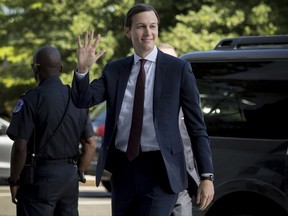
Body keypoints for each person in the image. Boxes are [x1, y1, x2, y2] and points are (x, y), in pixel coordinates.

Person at [72, 3, 214, 216]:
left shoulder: (178, 69)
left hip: (162, 170)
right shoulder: (115, 70)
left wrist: (206, 176)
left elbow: (196, 127)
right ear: (127, 31)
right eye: (141, 27)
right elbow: (83, 99)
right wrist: (83, 69)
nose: (148, 32)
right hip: (123, 170)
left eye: (153, 26)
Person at [6, 46, 96, 216]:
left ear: (36, 68)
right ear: (61, 68)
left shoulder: (31, 99)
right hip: (69, 176)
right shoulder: (77, 98)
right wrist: (78, 172)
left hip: (38, 178)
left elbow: (20, 147)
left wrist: (14, 180)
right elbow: (90, 144)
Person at [158, 43, 200, 216]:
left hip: (182, 184)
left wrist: (205, 177)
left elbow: (197, 134)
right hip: (153, 184)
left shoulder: (187, 94)